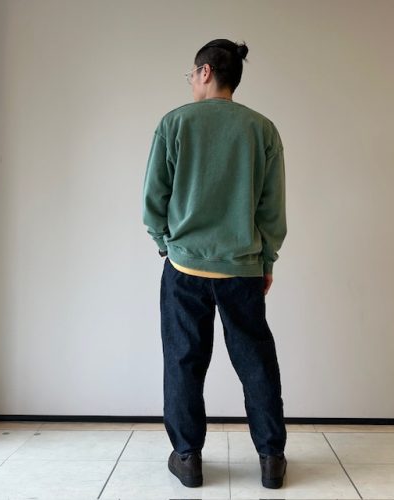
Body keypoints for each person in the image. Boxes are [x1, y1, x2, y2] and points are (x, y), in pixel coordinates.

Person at [142, 39, 287, 489]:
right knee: (256, 362)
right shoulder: (262, 129)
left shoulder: (174, 123)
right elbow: (271, 209)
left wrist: (165, 244)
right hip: (242, 269)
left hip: (185, 268)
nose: (190, 80)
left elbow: (154, 199)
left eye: (191, 72)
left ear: (205, 72)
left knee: (183, 361)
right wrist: (266, 259)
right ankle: (271, 459)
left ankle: (187, 458)